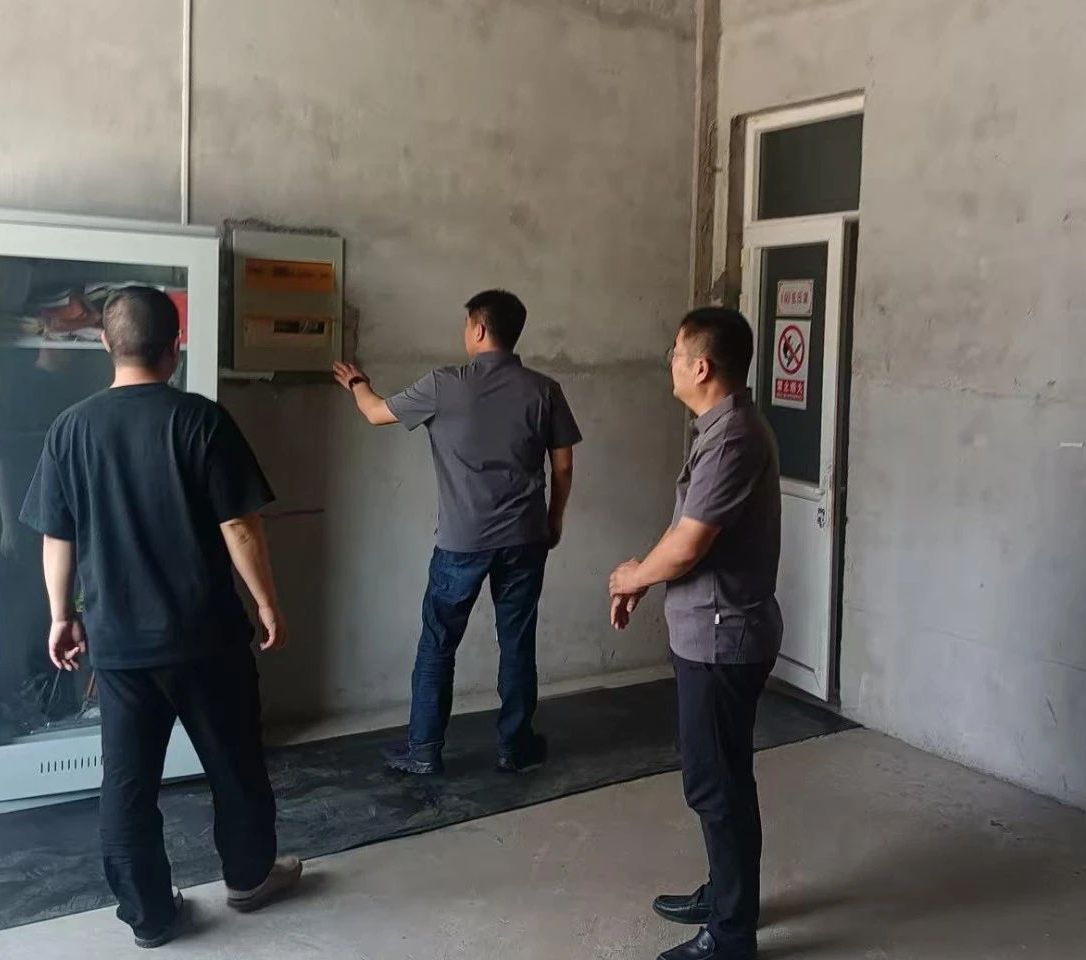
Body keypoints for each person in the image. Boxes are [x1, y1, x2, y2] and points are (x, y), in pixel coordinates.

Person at [20, 286, 301, 948]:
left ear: (104, 343)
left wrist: (61, 615)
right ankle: (249, 879)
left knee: (127, 785)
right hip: (208, 636)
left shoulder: (71, 429)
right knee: (235, 767)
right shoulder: (201, 421)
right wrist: (266, 601)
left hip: (119, 645)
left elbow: (56, 536)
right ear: (175, 347)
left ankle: (149, 916)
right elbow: (239, 525)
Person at [332, 289, 581, 775]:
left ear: (480, 329)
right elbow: (564, 465)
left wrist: (357, 382)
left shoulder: (445, 385)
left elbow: (375, 412)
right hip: (525, 537)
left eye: (467, 324)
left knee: (438, 642)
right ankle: (515, 746)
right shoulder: (544, 389)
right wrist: (554, 520)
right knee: (517, 642)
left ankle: (424, 750)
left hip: (461, 542)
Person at [608, 307, 783, 960]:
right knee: (723, 780)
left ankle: (732, 936)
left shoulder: (732, 439)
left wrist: (634, 576)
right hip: (712, 633)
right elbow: (685, 530)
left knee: (718, 787)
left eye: (676, 353)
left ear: (701, 366)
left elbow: (687, 547)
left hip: (721, 639)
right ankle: (726, 896)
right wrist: (643, 578)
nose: (671, 363)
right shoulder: (719, 429)